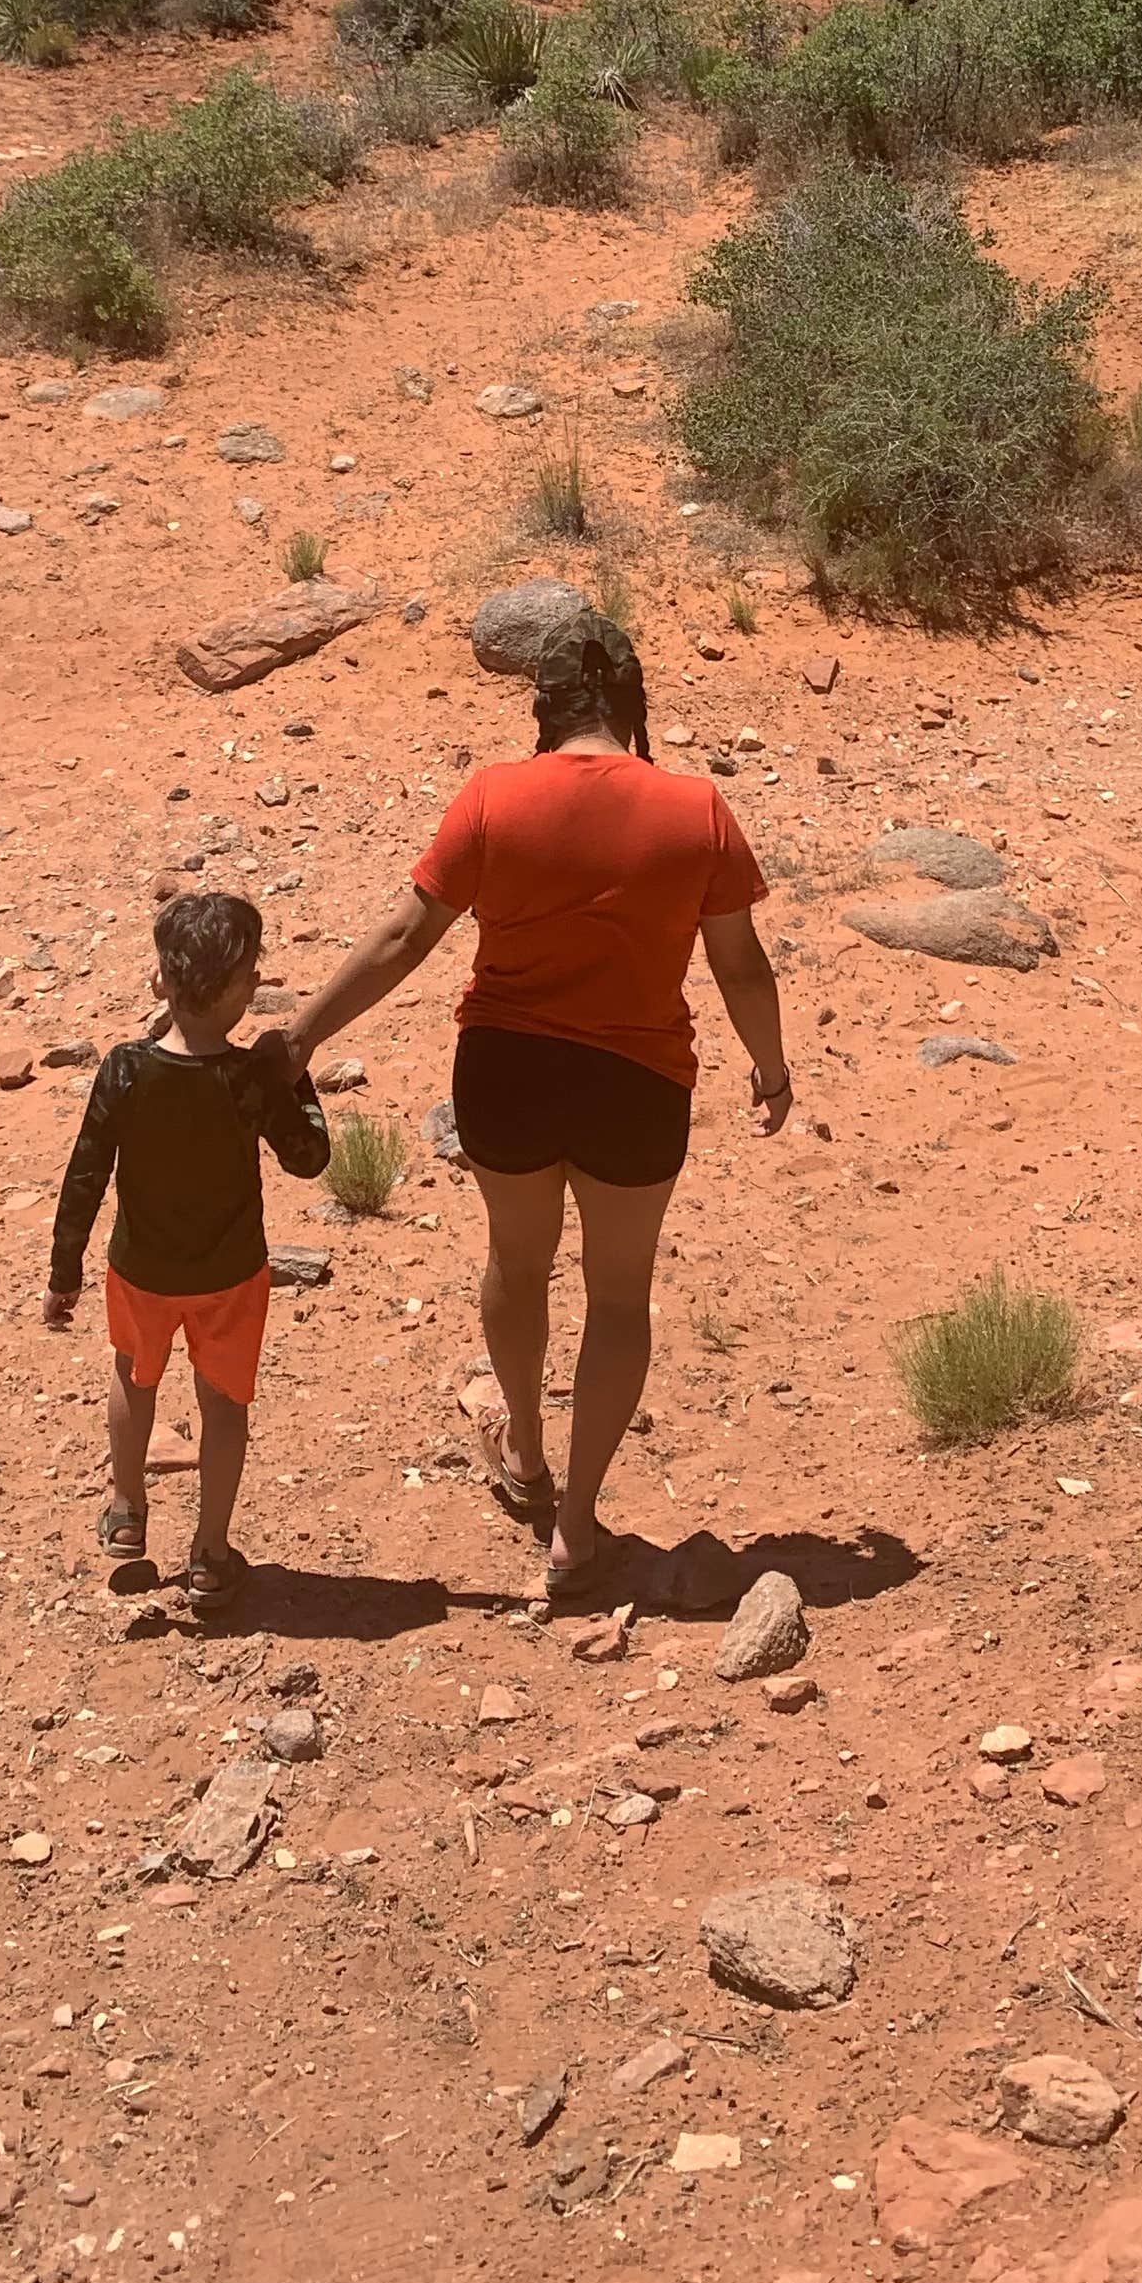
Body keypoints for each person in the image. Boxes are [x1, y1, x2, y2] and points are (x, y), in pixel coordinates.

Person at [286, 615, 791, 1606]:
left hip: (507, 1072)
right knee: (618, 1295)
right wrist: (771, 1069)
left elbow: (404, 935)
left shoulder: (493, 798)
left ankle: (523, 1450)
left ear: (544, 710)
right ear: (633, 708)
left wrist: (302, 1033)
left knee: (517, 1263)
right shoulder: (698, 811)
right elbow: (740, 962)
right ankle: (574, 1527)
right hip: (637, 1085)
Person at [41, 889, 329, 1615]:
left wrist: (63, 1272)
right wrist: (299, 1077)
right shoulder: (247, 1080)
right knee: (224, 1406)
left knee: (134, 1379)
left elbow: (85, 1173)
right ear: (242, 991)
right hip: (230, 1277)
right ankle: (209, 1552)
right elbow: (309, 1158)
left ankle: (127, 1506)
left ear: (161, 982)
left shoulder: (125, 1070)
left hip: (141, 1270)